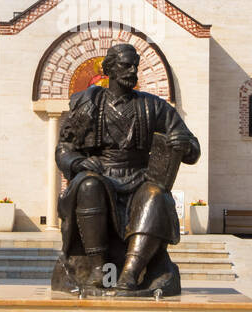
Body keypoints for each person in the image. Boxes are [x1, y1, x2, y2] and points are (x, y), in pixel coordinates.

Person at [54, 43, 200, 293]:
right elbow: (64, 149)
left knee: (156, 194)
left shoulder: (153, 105)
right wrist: (78, 162)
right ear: (109, 68)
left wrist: (183, 144)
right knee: (89, 185)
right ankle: (98, 268)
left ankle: (130, 274)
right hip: (100, 174)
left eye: (135, 66)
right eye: (125, 65)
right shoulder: (89, 104)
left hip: (139, 178)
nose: (132, 71)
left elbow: (192, 147)